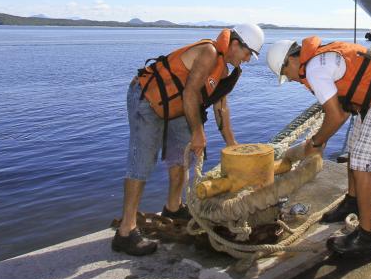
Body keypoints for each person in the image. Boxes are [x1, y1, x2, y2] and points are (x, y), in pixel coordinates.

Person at [112, 24, 264, 256]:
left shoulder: (225, 70)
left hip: (179, 107)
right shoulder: (209, 52)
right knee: (142, 162)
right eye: (247, 53)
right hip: (147, 99)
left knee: (182, 157)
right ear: (235, 44)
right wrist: (198, 132)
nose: (248, 60)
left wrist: (231, 143)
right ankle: (125, 232)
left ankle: (173, 208)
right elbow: (191, 92)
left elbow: (221, 106)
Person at [266, 36, 371, 260]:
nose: (291, 79)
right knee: (355, 152)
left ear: (290, 61)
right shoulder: (319, 61)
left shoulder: (316, 69)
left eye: (286, 74)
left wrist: (316, 142)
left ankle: (366, 240)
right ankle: (352, 202)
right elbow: (343, 110)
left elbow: (335, 116)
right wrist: (321, 138)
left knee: (363, 165)